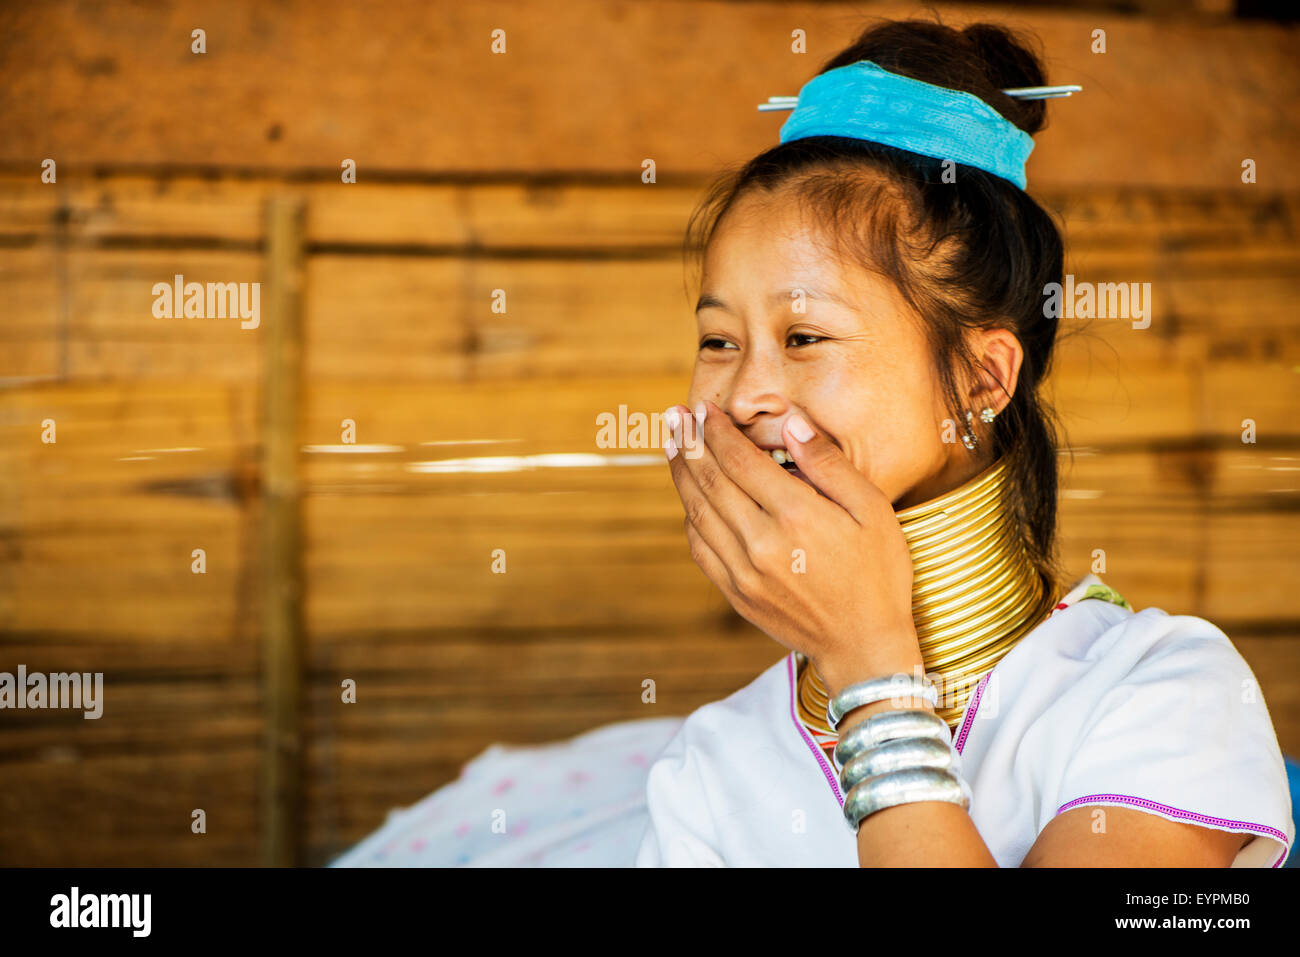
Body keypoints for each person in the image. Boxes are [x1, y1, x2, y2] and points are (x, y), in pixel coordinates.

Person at [329, 18, 1294, 868]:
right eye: (717, 341)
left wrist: (872, 666)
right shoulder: (712, 766)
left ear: (981, 378)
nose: (745, 393)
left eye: (804, 338)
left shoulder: (1159, 687)